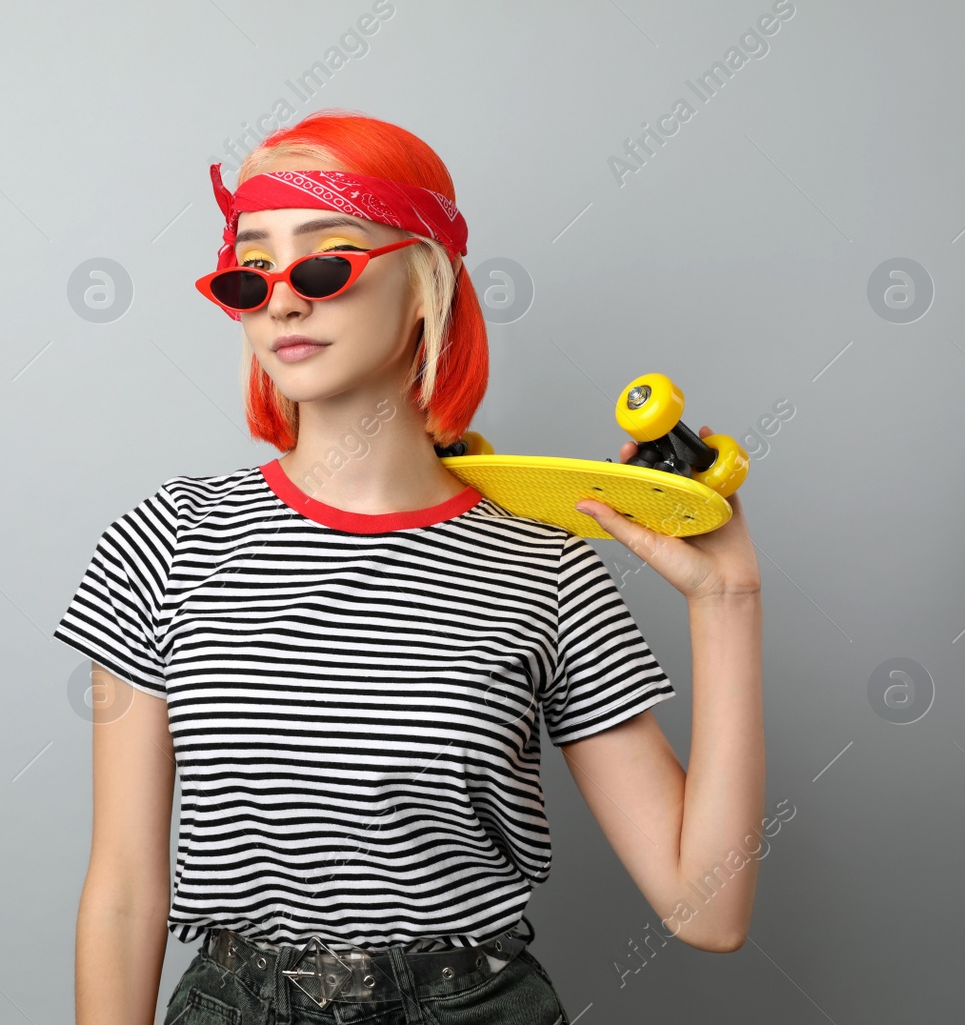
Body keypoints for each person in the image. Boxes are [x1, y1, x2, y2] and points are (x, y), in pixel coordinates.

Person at [58, 109, 764, 1025]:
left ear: (429, 282)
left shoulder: (547, 568)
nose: (282, 299)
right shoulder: (166, 541)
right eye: (250, 269)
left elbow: (707, 909)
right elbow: (121, 891)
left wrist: (729, 601)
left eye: (325, 260)